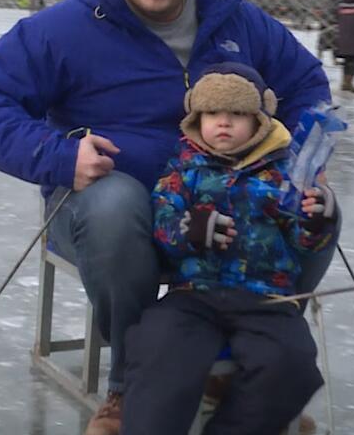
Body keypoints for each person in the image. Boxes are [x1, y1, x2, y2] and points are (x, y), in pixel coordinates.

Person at [0, 0, 337, 435]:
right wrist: (60, 156)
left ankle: (244, 368)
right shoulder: (67, 27)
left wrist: (295, 159)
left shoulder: (239, 22)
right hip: (107, 214)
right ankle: (128, 387)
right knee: (114, 203)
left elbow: (306, 84)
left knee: (321, 209)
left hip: (224, 209)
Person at [121, 62, 337, 435]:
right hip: (194, 294)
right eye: (213, 113)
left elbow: (304, 240)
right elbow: (162, 224)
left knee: (292, 364)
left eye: (237, 113)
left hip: (266, 300)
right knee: (159, 347)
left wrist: (318, 220)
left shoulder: (284, 173)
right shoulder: (182, 169)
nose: (224, 122)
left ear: (259, 119)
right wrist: (190, 230)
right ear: (197, 118)